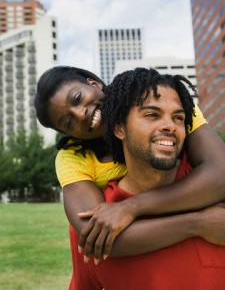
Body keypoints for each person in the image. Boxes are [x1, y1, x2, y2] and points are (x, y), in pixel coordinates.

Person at [34, 67, 225, 264]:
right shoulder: (73, 157)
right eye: (67, 122)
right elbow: (95, 235)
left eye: (77, 98)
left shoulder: (162, 102)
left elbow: (220, 173)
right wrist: (196, 224)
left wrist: (132, 207)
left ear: (93, 83)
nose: (80, 114)